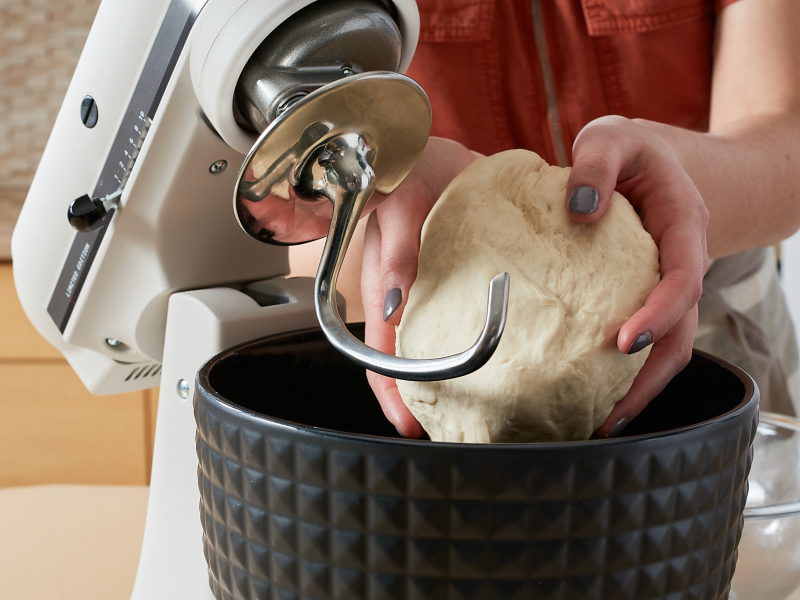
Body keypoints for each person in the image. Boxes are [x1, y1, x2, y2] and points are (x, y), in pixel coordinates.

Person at [291, 0, 800, 438]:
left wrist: (678, 173)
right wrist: (373, 185)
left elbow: (786, 137)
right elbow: (273, 203)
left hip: (705, 336)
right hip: (420, 361)